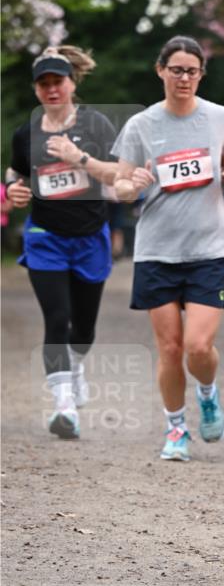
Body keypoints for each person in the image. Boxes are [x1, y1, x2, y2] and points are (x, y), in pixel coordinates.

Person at [112, 35, 224, 462]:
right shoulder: (141, 126)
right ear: (160, 71)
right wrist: (131, 185)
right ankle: (175, 429)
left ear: (201, 74)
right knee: (169, 348)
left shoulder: (220, 117)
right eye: (176, 70)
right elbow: (120, 184)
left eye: (192, 71)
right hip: (156, 251)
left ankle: (207, 393)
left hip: (209, 248)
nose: (184, 78)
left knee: (197, 347)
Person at [6, 46, 118, 439]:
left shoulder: (97, 124)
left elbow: (117, 174)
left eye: (58, 81)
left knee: (83, 329)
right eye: (44, 83)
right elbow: (15, 172)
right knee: (56, 318)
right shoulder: (27, 132)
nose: (52, 89)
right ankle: (64, 406)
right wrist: (12, 189)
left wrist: (78, 158)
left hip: (90, 237)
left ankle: (77, 365)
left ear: (72, 83)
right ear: (37, 89)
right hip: (45, 237)